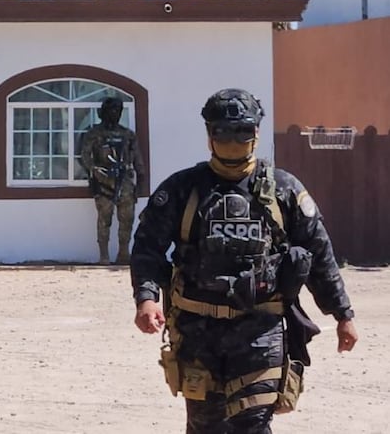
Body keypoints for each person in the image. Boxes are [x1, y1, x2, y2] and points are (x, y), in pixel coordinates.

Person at [130, 88, 358, 433]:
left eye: (242, 130)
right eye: (223, 131)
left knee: (253, 425)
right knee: (205, 427)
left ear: (257, 133)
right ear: (209, 136)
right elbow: (147, 246)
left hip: (261, 331)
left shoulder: (284, 190)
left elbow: (318, 254)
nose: (233, 140)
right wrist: (146, 298)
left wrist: (343, 314)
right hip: (197, 334)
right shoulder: (183, 189)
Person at [79, 96, 146, 264]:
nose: (114, 113)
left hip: (124, 183)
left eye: (118, 110)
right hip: (103, 183)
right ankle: (104, 256)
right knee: (104, 219)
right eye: (111, 110)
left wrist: (141, 181)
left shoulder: (127, 135)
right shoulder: (93, 134)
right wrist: (95, 170)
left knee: (127, 219)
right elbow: (85, 156)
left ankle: (123, 253)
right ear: (103, 113)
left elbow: (138, 159)